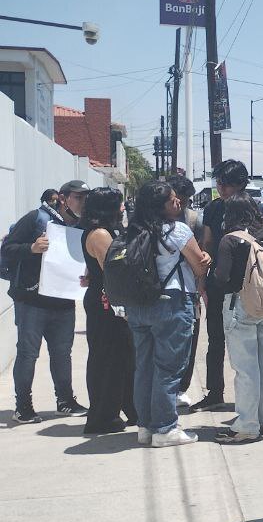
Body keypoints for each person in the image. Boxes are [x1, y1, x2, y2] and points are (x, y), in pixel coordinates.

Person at [125, 180, 209, 448]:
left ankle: (145, 427)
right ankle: (165, 428)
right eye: (173, 199)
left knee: (145, 367)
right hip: (171, 302)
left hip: (138, 304)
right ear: (160, 206)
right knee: (168, 369)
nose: (178, 202)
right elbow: (198, 266)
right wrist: (205, 259)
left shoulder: (134, 230)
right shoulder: (178, 230)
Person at [4, 180, 91, 423]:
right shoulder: (37, 218)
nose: (83, 202)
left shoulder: (81, 225)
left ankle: (65, 401)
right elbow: (7, 248)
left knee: (62, 354)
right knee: (28, 354)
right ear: (63, 198)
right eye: (78, 197)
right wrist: (31, 247)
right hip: (32, 300)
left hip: (63, 300)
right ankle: (23, 406)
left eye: (85, 198)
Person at [212, 192, 263, 444]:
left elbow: (221, 279)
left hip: (241, 307)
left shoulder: (231, 240)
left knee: (245, 369)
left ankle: (246, 425)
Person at [195, 159, 263, 412]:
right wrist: (202, 281)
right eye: (219, 183)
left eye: (226, 184)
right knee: (215, 340)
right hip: (218, 282)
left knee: (252, 347)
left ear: (241, 184)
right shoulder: (214, 208)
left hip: (249, 285)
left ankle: (254, 401)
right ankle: (215, 392)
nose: (221, 189)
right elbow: (207, 243)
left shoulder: (254, 207)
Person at [79, 187, 137, 435]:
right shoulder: (100, 234)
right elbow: (114, 270)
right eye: (119, 204)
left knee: (123, 358)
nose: (122, 209)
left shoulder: (104, 231)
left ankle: (127, 408)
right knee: (108, 359)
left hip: (105, 299)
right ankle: (102, 415)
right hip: (106, 304)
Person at [168, 174, 205, 408]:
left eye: (185, 200)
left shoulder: (192, 220)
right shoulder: (151, 219)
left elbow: (200, 256)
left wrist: (201, 289)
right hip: (163, 292)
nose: (180, 205)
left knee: (189, 341)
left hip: (190, 289)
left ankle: (182, 387)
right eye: (176, 200)